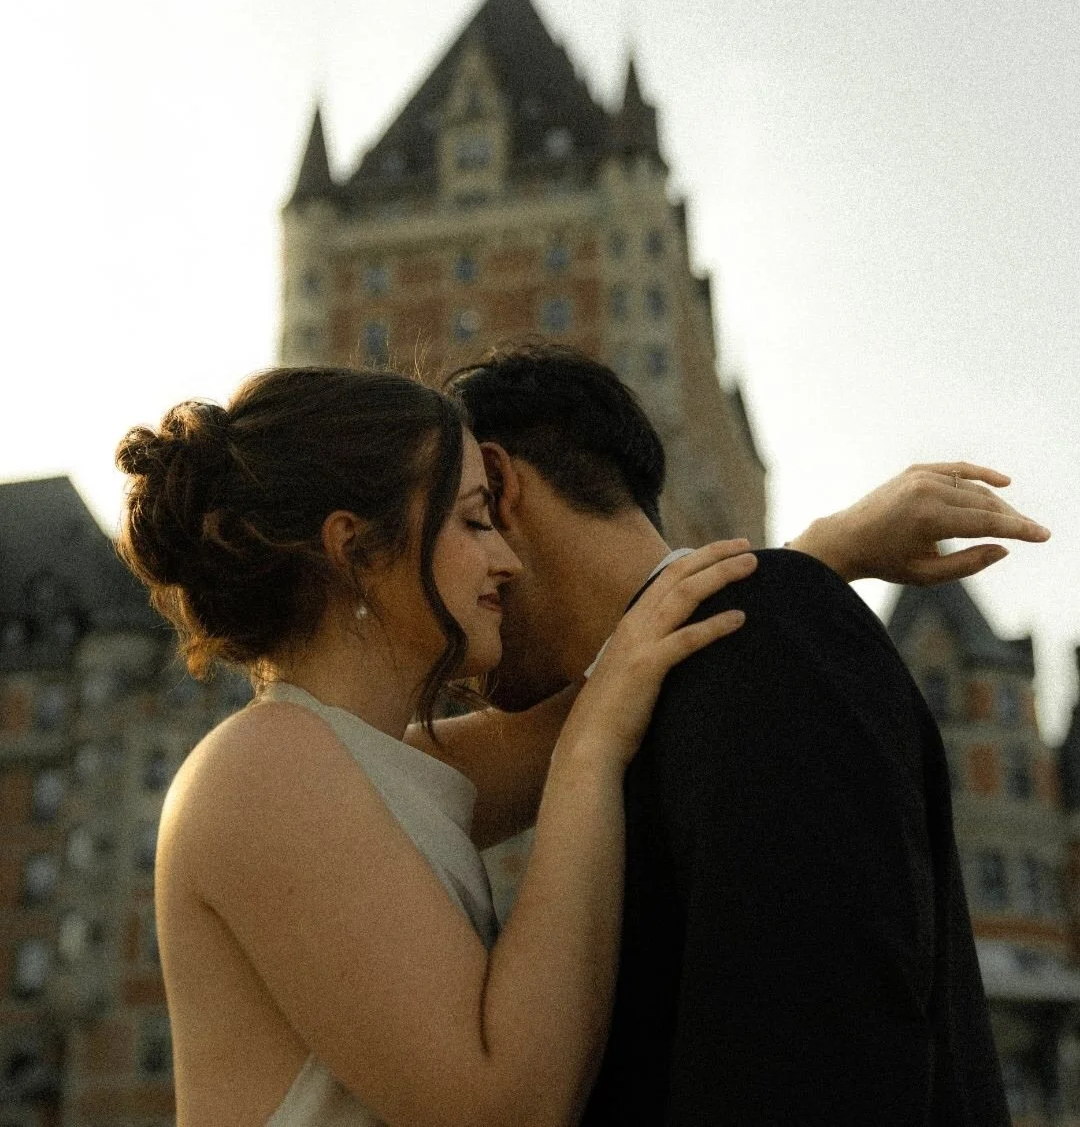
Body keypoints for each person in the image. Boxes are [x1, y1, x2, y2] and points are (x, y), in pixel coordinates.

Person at [117, 365, 756, 1127]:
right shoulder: (262, 768)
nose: (507, 561)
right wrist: (590, 755)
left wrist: (814, 562)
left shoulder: (355, 761)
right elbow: (505, 1107)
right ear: (355, 550)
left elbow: (632, 674)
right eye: (473, 520)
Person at [447, 342, 1051, 1126]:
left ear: (499, 486)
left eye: (454, 523)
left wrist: (791, 568)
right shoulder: (681, 677)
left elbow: (818, 1062)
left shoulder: (762, 639)